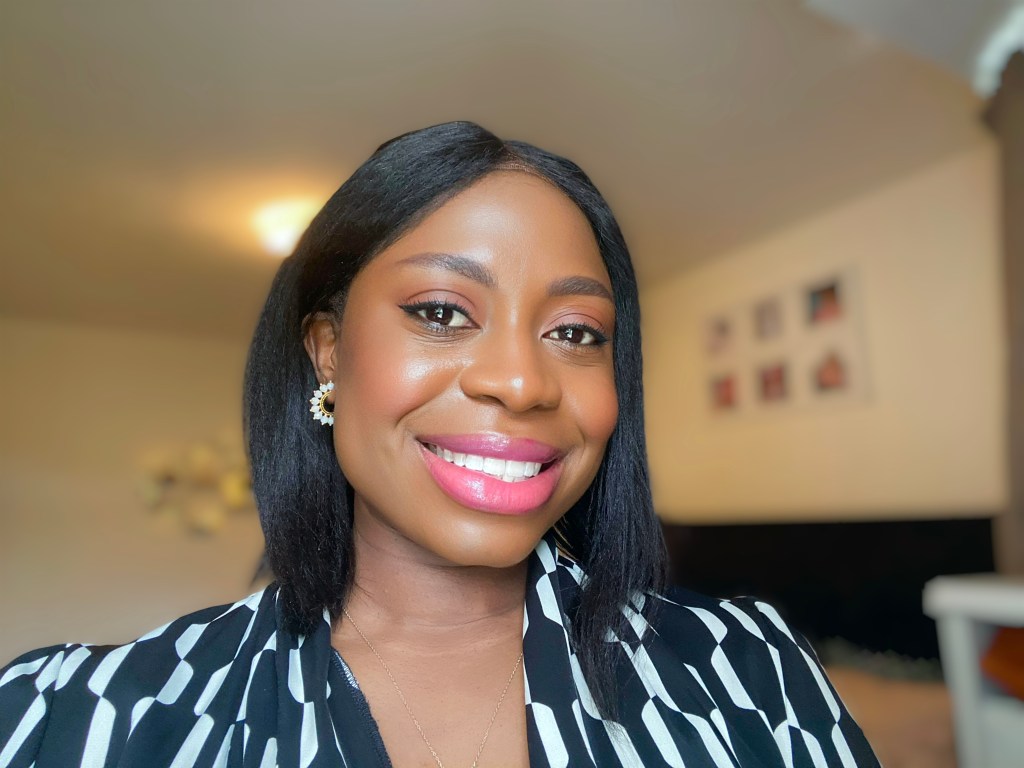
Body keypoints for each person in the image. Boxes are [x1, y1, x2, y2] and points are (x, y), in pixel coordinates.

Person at [0, 121, 879, 767]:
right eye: (441, 313)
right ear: (327, 350)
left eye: (575, 332)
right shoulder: (76, 720)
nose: (522, 383)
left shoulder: (751, 671)